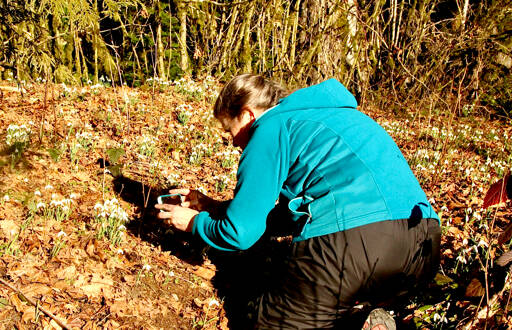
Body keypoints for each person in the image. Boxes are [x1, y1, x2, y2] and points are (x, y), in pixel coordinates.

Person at [155, 74, 441, 329]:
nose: (233, 142)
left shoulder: (270, 128)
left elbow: (240, 234)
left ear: (247, 115)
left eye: (230, 131)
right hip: (423, 247)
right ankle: (363, 317)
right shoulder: (336, 117)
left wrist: (193, 222)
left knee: (267, 318)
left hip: (356, 245)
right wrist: (215, 208)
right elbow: (291, 216)